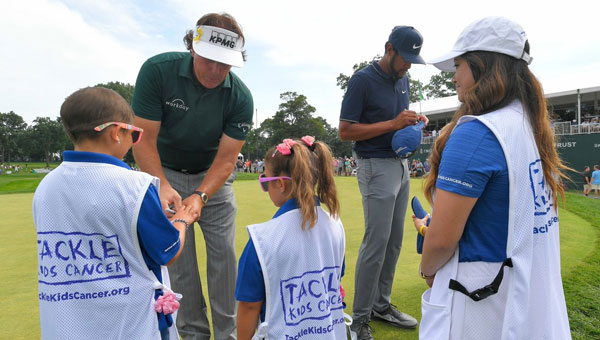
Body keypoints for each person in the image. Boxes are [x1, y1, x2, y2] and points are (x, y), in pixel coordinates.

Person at [412, 17, 572, 339]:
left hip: (481, 306)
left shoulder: (477, 131)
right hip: (528, 304)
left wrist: (428, 270)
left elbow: (441, 241)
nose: (454, 78)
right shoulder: (532, 126)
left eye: (459, 66)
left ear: (482, 65)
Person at [33, 87, 199, 340]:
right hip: (130, 325)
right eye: (134, 133)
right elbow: (168, 250)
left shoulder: (45, 186)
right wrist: (181, 220)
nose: (134, 141)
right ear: (116, 133)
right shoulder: (134, 185)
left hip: (66, 324)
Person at [131, 12, 253, 340]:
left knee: (224, 259)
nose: (215, 70)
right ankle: (194, 334)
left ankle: (229, 334)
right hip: (164, 171)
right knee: (178, 259)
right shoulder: (158, 71)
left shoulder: (240, 97)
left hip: (213, 177)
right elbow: (142, 141)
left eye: (224, 63)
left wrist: (200, 195)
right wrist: (162, 186)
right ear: (193, 47)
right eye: (208, 59)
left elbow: (227, 160)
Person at [338, 25, 427, 339]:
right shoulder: (362, 80)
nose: (408, 65)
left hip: (400, 165)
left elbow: (396, 122)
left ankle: (381, 305)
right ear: (389, 49)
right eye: (405, 57)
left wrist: (409, 123)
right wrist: (392, 123)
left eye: (413, 59)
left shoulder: (403, 78)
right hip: (374, 165)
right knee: (375, 244)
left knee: (394, 242)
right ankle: (360, 319)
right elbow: (345, 131)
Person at [235, 137, 346, 339]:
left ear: (280, 184)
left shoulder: (263, 238)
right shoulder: (336, 225)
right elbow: (337, 276)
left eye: (265, 182)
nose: (265, 189)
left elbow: (249, 306)